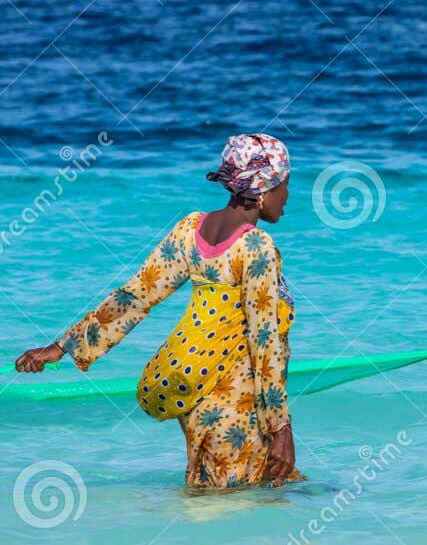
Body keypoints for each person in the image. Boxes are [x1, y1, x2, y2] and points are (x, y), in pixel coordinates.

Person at [13, 134, 298, 487]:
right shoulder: (258, 247)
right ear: (263, 188)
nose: (287, 196)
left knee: (207, 493)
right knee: (243, 504)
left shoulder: (190, 229)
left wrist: (62, 346)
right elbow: (265, 341)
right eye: (285, 184)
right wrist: (281, 428)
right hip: (236, 402)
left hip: (193, 391)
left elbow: (136, 295)